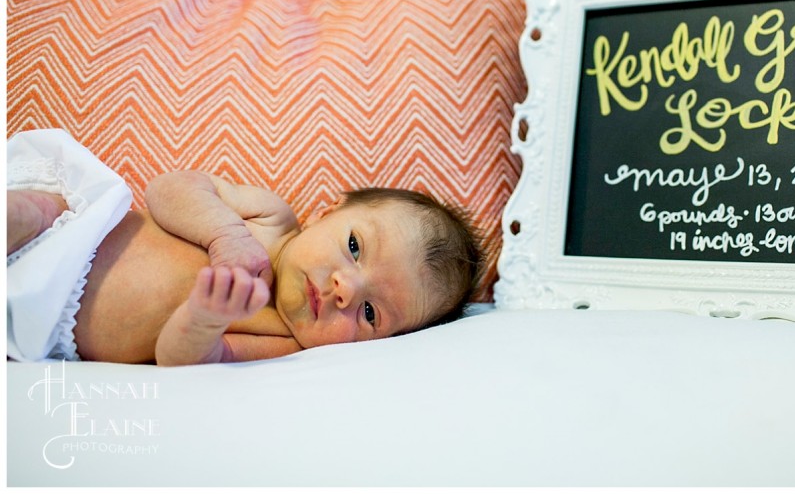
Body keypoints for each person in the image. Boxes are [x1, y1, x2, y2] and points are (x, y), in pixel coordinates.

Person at [7, 129, 483, 365]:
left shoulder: (280, 341)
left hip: (42, 321)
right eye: (355, 247)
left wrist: (204, 318)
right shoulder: (270, 220)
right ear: (327, 215)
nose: (345, 288)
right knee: (30, 211)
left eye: (371, 314)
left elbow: (180, 361)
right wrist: (225, 235)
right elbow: (168, 189)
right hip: (70, 230)